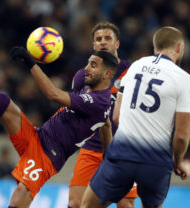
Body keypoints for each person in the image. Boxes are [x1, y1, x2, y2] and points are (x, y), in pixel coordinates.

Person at [0, 48, 118, 208]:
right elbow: (106, 124)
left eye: (93, 65)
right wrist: (108, 155)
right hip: (37, 137)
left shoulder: (99, 102)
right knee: (2, 102)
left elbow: (53, 94)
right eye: (88, 63)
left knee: (20, 197)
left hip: (48, 155)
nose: (87, 68)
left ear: (107, 74)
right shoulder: (86, 84)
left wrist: (30, 63)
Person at [80, 26, 190, 208]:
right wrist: (178, 161)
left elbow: (116, 116)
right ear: (179, 47)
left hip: (122, 155)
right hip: (155, 162)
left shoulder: (135, 67)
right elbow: (181, 135)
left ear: (155, 47)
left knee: (87, 205)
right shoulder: (183, 78)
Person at [68, 22, 137, 208]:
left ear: (117, 44)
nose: (103, 42)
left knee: (125, 205)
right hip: (92, 148)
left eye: (108, 38)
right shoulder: (82, 77)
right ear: (94, 46)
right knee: (75, 203)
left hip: (124, 149)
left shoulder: (133, 73)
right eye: (99, 39)